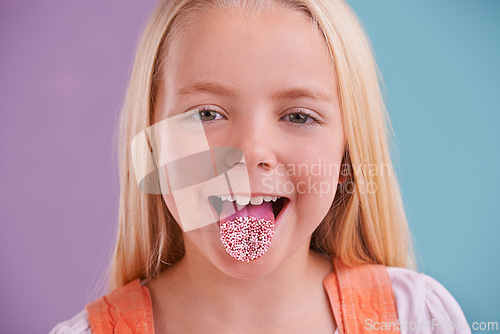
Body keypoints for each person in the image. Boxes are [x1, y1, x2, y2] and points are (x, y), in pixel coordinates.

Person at [51, 0, 471, 333]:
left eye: (299, 116)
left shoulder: (418, 319)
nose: (251, 151)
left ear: (346, 154)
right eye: (206, 114)